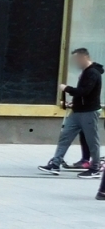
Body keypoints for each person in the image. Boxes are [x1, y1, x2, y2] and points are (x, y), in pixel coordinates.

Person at [38, 47, 102, 177]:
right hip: (77, 111)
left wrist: (66, 88)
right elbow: (83, 94)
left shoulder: (93, 73)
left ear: (84, 58)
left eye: (77, 59)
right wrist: (74, 103)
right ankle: (55, 164)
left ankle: (95, 168)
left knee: (92, 140)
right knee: (65, 136)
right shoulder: (86, 72)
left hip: (89, 112)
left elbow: (85, 91)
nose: (75, 62)